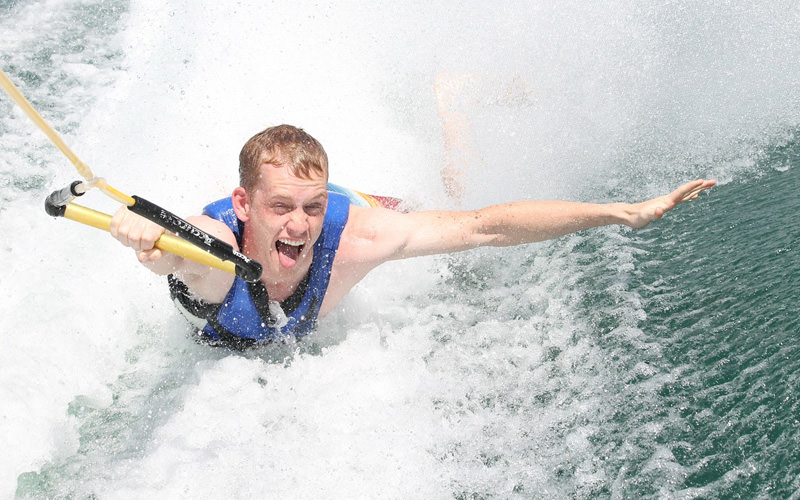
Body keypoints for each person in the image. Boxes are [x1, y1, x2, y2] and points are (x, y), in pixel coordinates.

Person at [110, 124, 715, 349]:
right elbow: (176, 249)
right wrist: (147, 235)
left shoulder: (350, 238)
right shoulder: (221, 250)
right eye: (281, 208)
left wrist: (621, 213)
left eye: (311, 207)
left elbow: (487, 228)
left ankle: (455, 123)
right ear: (247, 204)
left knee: (442, 210)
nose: (298, 226)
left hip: (361, 207)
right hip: (223, 271)